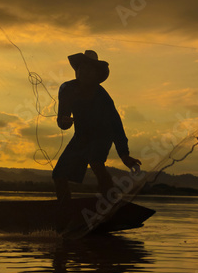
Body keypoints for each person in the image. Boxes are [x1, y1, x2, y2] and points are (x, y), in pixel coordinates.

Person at [52, 50, 142, 202]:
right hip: (81, 136)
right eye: (81, 68)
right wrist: (64, 122)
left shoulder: (103, 97)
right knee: (59, 175)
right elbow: (63, 118)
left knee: (96, 162)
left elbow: (116, 125)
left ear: (96, 75)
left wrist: (124, 154)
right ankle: (64, 207)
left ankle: (110, 201)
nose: (84, 72)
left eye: (89, 70)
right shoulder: (67, 89)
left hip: (103, 134)